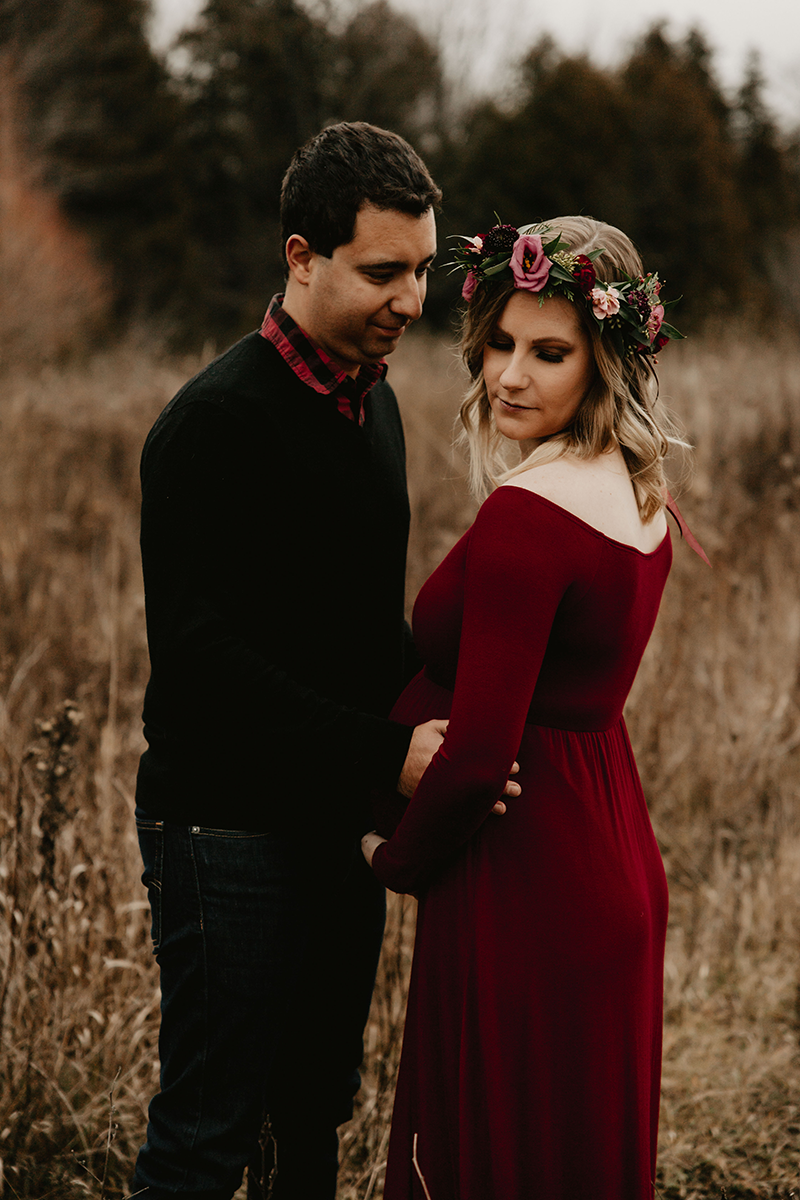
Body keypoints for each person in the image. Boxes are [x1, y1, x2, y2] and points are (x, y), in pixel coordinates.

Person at [131, 122, 518, 1200]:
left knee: (314, 1112)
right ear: (300, 256)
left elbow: (357, 629)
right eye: (381, 272)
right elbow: (204, 667)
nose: (411, 300)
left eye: (423, 271)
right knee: (211, 1127)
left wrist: (449, 732)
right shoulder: (210, 425)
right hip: (225, 829)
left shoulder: (375, 408)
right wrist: (383, 753)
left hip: (333, 820)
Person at [362, 216, 706, 1199]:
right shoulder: (640, 493)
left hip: (524, 879)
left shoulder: (529, 512)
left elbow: (479, 754)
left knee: (494, 1160)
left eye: (548, 353)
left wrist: (396, 860)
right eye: (500, 345)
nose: (509, 376)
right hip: (610, 866)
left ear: (608, 358)